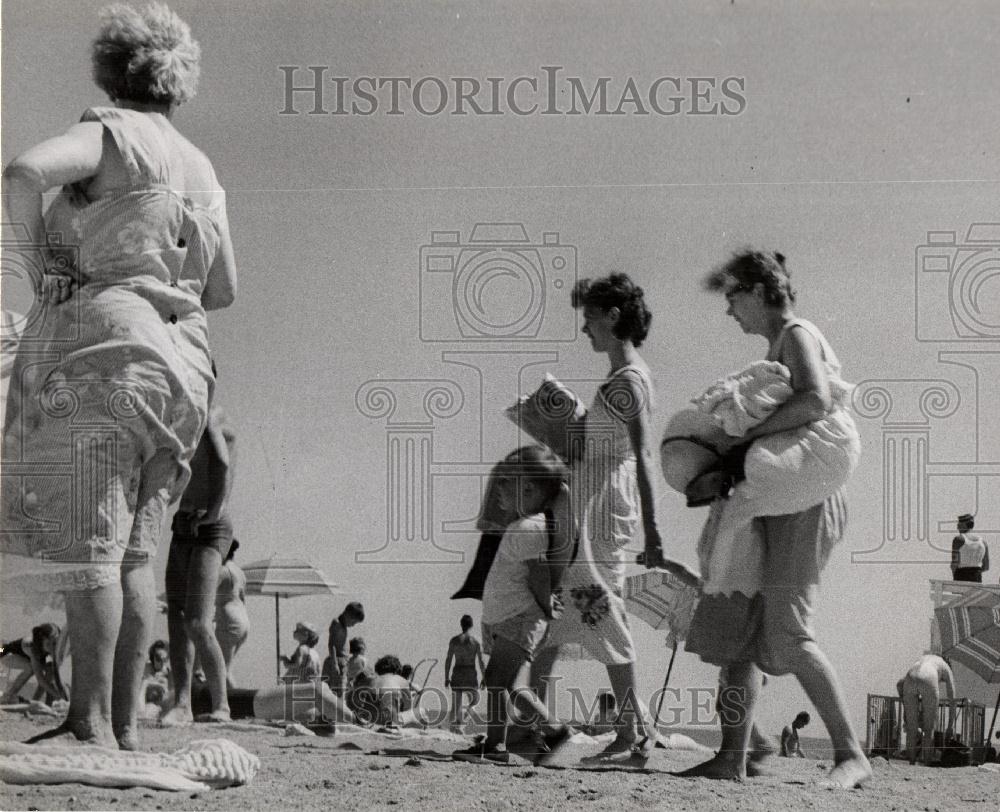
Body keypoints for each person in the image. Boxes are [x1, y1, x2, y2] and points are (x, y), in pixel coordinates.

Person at [0, 3, 237, 748]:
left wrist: (46, 266)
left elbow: (25, 171)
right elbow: (223, 286)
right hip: (187, 366)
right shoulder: (201, 168)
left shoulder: (111, 132)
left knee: (89, 548)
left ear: (112, 67)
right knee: (138, 550)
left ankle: (88, 719)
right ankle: (125, 726)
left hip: (109, 346)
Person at [679, 250, 871, 788]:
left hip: (803, 500)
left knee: (787, 630)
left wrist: (743, 440)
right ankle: (732, 756)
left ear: (762, 292)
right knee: (743, 622)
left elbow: (813, 398)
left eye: (733, 296)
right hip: (776, 494)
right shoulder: (775, 347)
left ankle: (851, 754)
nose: (728, 310)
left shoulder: (796, 333)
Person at [531, 273, 671, 755]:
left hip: (601, 508)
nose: (584, 328)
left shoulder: (629, 379)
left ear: (613, 316)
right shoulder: (620, 379)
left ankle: (630, 731)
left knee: (599, 608)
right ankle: (539, 722)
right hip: (590, 501)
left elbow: (644, 454)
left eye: (589, 318)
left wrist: (654, 530)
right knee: (560, 612)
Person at [452, 446, 572, 765]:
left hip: (518, 618)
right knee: (506, 684)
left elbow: (538, 570)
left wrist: (547, 605)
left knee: (496, 683)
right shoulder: (522, 526)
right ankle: (552, 728)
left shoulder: (529, 527)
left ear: (529, 488)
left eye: (507, 482)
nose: (499, 489)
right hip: (508, 618)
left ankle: (496, 746)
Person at [162, 401, 236, 726]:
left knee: (197, 621)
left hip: (209, 524)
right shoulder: (188, 419)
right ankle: (182, 705)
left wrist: (214, 509)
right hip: (185, 521)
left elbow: (220, 462)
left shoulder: (210, 414)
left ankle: (222, 705)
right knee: (178, 616)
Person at [896, 654, 955, 766]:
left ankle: (911, 762)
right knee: (929, 729)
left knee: (911, 729)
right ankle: (927, 764)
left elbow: (899, 684)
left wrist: (906, 703)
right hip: (929, 677)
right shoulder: (946, 667)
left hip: (911, 676)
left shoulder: (924, 658)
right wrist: (950, 725)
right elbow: (952, 697)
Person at [0, 624, 68, 705]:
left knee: (50, 668)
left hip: (21, 655)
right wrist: (58, 695)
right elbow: (40, 679)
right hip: (5, 653)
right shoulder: (31, 646)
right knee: (31, 668)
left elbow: (55, 673)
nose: (52, 648)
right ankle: (9, 695)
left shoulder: (52, 647)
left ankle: (37, 701)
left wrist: (60, 690)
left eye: (55, 643)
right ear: (41, 642)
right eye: (48, 644)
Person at [214, 539, 249, 688]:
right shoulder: (240, 572)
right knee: (225, 669)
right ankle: (235, 707)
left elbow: (205, 595)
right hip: (243, 621)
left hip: (229, 621)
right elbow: (242, 598)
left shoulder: (222, 571)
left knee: (222, 670)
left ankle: (236, 708)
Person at [444, 614, 487, 733]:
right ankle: (461, 725)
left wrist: (446, 677)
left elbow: (448, 660)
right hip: (469, 673)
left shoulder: (454, 640)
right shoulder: (476, 640)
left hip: (457, 671)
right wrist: (484, 677)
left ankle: (453, 728)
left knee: (456, 704)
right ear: (472, 625)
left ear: (461, 625)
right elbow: (481, 661)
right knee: (474, 701)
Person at [323, 602, 365, 696]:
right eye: (353, 622)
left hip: (342, 662)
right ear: (347, 615)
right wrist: (335, 663)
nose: (353, 625)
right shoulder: (337, 624)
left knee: (340, 692)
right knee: (336, 693)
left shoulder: (343, 626)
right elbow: (332, 644)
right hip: (337, 661)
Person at [951, 514, 989, 583]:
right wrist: (975, 572)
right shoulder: (983, 542)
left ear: (964, 525)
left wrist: (955, 577)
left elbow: (954, 563)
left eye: (959, 525)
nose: (957, 528)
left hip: (961, 575)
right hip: (977, 577)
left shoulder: (958, 539)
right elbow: (986, 567)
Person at [140, 640, 172, 708]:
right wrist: (152, 683)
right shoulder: (146, 668)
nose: (162, 663)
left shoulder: (168, 673)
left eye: (165, 659)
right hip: (144, 703)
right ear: (152, 657)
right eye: (158, 658)